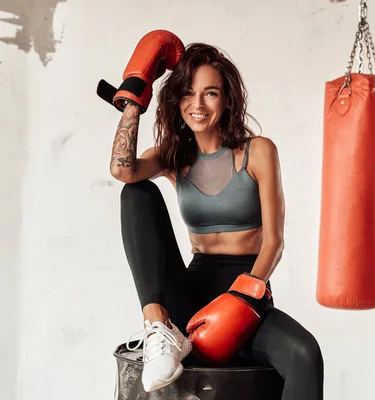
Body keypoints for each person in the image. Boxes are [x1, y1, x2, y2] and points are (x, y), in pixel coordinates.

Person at [108, 32, 324, 399]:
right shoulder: (173, 156)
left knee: (306, 353)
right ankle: (158, 326)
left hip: (246, 294)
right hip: (191, 292)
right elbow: (122, 169)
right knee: (136, 192)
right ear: (176, 100)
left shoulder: (257, 152)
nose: (198, 104)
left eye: (210, 92)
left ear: (227, 99)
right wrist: (134, 95)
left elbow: (274, 242)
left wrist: (241, 298)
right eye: (188, 93)